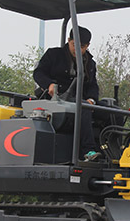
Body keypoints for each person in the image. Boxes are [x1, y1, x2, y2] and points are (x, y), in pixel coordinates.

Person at [33, 27, 100, 161]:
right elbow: (38, 73)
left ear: (87, 46)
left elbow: (93, 85)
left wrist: (92, 99)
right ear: (69, 41)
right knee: (83, 107)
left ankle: (117, 152)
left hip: (79, 100)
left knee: (112, 111)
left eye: (82, 47)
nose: (78, 50)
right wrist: (49, 84)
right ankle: (89, 151)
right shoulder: (54, 55)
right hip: (56, 101)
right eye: (75, 45)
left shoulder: (90, 64)